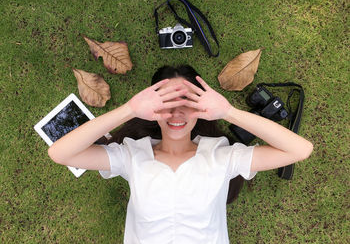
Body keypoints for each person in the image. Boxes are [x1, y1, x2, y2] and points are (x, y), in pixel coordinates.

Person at [48, 65, 313, 244]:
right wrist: (129, 109)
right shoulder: (132, 156)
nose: (177, 113)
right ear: (151, 108)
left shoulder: (221, 156)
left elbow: (300, 149)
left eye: (187, 102)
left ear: (201, 106)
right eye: (167, 102)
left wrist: (229, 112)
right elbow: (60, 153)